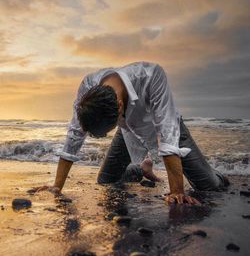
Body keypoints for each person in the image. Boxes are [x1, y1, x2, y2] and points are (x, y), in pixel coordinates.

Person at [32, 61, 229, 204]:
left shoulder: (152, 76)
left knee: (209, 187)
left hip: (167, 129)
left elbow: (167, 132)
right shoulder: (88, 87)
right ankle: (141, 169)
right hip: (127, 129)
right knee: (106, 180)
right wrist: (57, 186)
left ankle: (216, 173)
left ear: (119, 106)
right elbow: (75, 134)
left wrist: (176, 191)